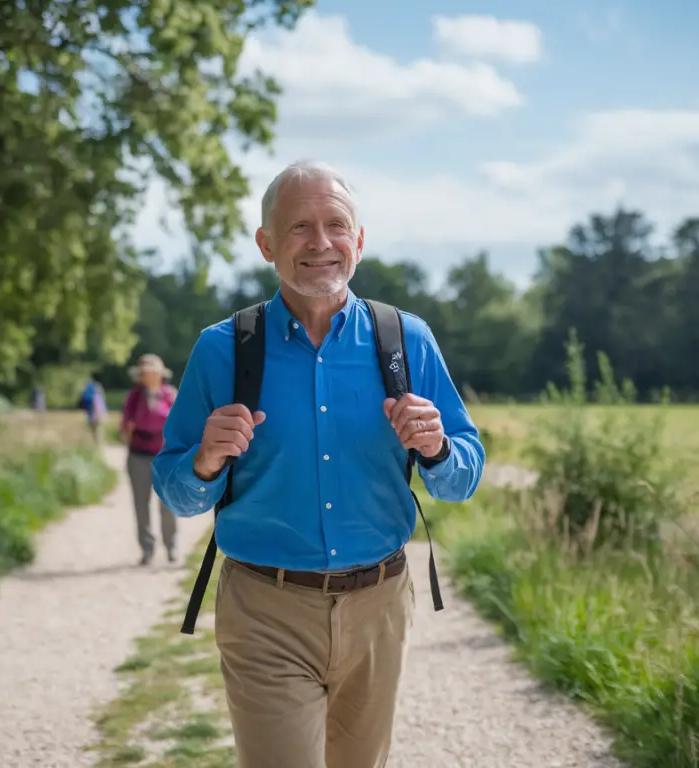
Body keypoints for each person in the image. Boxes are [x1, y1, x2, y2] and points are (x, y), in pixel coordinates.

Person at [152, 159, 485, 768]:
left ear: (359, 241)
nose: (321, 242)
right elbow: (176, 492)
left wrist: (437, 448)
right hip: (265, 608)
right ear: (266, 244)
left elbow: (464, 474)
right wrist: (203, 462)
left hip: (380, 606)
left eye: (336, 225)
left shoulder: (406, 340)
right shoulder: (222, 349)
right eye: (300, 227)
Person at [121, 354, 179, 565]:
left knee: (167, 504)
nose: (148, 374)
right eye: (145, 371)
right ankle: (147, 550)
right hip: (139, 454)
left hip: (165, 457)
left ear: (160, 373)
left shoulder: (170, 395)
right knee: (141, 504)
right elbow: (126, 426)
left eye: (152, 370)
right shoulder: (134, 397)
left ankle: (171, 547)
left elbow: (179, 424)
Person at [78, 374, 107, 444]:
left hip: (91, 413)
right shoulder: (98, 395)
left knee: (93, 429)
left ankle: (95, 443)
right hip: (97, 414)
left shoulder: (87, 389)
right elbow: (101, 405)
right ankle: (99, 443)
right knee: (98, 429)